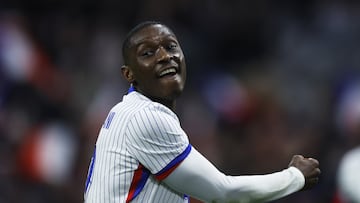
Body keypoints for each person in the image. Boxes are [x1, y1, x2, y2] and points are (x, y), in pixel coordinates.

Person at [83, 21, 321, 203]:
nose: (165, 56)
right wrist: (296, 177)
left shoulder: (129, 111)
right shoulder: (145, 117)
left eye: (170, 46)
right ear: (128, 74)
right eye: (148, 53)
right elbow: (222, 192)